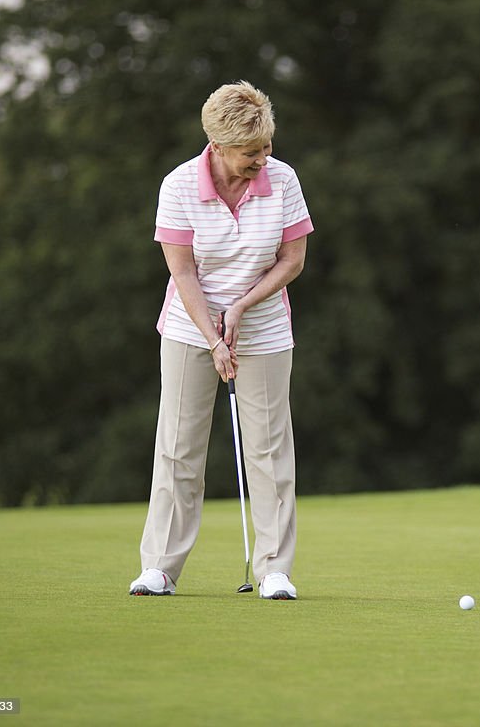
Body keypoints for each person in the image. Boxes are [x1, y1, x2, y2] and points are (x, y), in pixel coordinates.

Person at [129, 81, 313, 600]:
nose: (263, 159)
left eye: (267, 146)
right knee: (178, 447)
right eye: (251, 152)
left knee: (270, 449)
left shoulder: (284, 180)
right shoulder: (180, 185)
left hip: (265, 328)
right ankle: (160, 568)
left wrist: (240, 307)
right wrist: (213, 335)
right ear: (218, 145)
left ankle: (274, 569)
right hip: (191, 327)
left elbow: (293, 259)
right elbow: (182, 274)